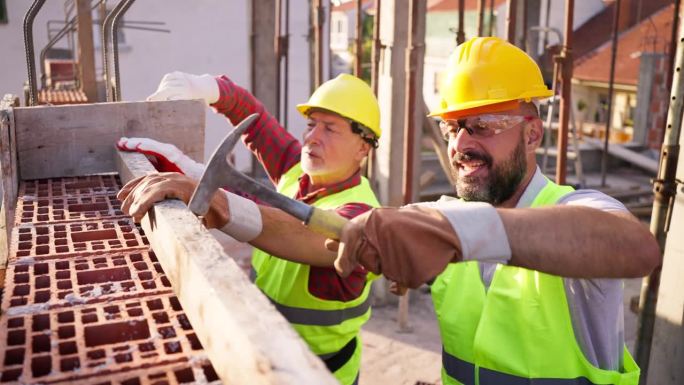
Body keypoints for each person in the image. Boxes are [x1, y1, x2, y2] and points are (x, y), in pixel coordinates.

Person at [329, 37, 661, 385]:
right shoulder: (448, 218)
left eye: (482, 126)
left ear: (532, 135)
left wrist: (458, 230)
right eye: (452, 128)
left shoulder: (576, 210)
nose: (460, 144)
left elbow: (639, 249)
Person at [117, 72, 381, 385]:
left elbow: (303, 234)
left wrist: (215, 199)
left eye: (330, 129)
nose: (312, 138)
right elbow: (252, 118)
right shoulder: (296, 170)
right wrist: (207, 87)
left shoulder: (364, 213)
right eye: (312, 125)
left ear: (363, 148)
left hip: (319, 374)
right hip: (260, 350)